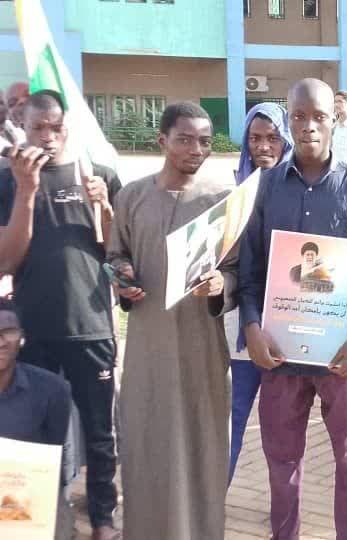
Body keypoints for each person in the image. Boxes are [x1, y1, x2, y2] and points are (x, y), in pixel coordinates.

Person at [238, 78, 347, 540]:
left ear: (334, 121)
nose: (308, 126)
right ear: (288, 120)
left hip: (340, 354)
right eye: (299, 116)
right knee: (281, 463)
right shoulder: (265, 188)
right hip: (280, 355)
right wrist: (252, 328)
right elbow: (250, 271)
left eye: (319, 117)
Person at [107, 102, 235, 539]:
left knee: (202, 446)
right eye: (185, 139)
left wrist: (222, 284)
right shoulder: (131, 197)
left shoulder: (222, 202)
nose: (196, 149)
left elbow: (239, 271)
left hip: (201, 348)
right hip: (148, 347)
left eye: (204, 141)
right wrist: (122, 276)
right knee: (147, 442)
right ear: (162, 141)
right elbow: (115, 256)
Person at [0, 90, 121, 540]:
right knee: (33, 433)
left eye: (56, 127)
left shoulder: (99, 174)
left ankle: (103, 518)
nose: (48, 137)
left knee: (100, 432)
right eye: (38, 128)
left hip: (91, 327)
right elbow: (7, 260)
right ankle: (34, 520)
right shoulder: (8, 179)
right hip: (33, 330)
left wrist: (104, 207)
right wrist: (27, 191)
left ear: (67, 127)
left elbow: (117, 254)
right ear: (22, 126)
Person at [225, 102, 293, 484]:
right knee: (232, 417)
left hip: (288, 327)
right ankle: (213, 498)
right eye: (255, 138)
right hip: (242, 329)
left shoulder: (301, 195)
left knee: (282, 426)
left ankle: (283, 506)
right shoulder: (234, 195)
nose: (263, 147)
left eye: (272, 138)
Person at [0, 297, 75, 540]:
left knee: (57, 522)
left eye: (8, 332)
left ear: (21, 337)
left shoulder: (52, 390)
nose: (0, 342)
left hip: (24, 495)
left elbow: (54, 454)